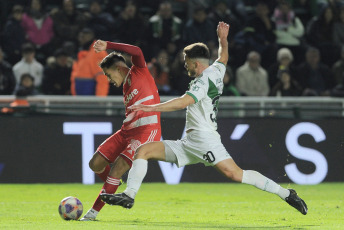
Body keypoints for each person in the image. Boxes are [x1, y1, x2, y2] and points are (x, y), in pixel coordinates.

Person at [100, 22, 308, 216]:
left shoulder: (203, 81)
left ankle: (286, 194)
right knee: (142, 151)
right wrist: (223, 40)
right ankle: (129, 195)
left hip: (204, 139)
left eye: (186, 62)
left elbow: (182, 102)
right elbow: (223, 57)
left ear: (195, 63)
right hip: (189, 142)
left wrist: (148, 106)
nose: (185, 66)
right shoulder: (216, 70)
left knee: (236, 174)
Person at [80, 39, 161, 221]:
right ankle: (114, 185)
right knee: (95, 164)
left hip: (146, 131)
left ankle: (92, 214)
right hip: (127, 131)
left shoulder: (139, 71)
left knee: (117, 169)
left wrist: (108, 45)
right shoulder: (125, 86)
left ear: (118, 68)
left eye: (108, 75)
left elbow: (137, 50)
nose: (109, 80)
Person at [70, 28, 108, 96]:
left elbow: (102, 77)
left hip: (89, 91)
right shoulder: (82, 51)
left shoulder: (98, 52)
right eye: (80, 37)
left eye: (83, 37)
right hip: (80, 92)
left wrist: (100, 99)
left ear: (90, 36)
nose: (80, 39)